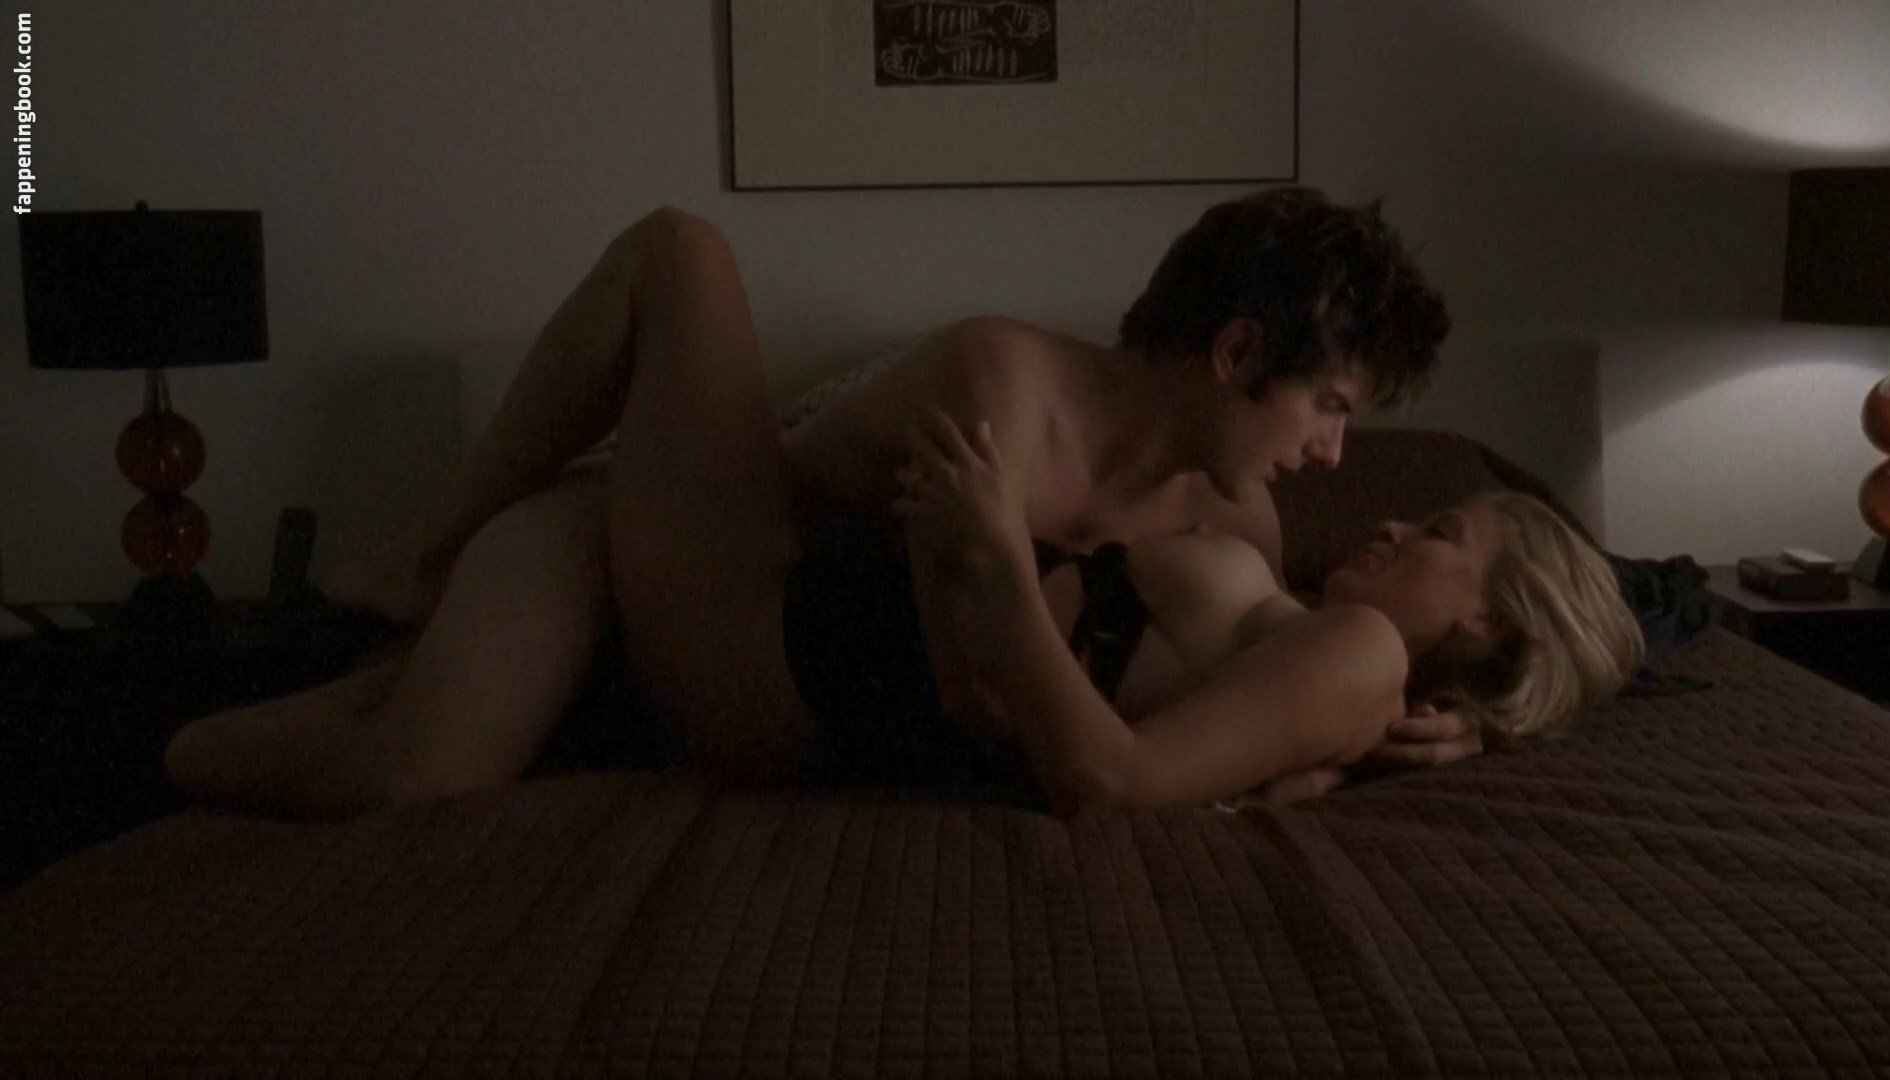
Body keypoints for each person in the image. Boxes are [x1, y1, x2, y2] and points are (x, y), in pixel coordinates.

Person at [163, 189, 1474, 819]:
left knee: (410, 756)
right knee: (680, 250)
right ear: (1237, 354)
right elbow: (975, 698)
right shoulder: (1006, 385)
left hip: (777, 651)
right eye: (1330, 406)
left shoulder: (1235, 525)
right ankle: (425, 554)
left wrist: (1361, 744)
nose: (1333, 455)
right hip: (724, 587)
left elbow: (1245, 695)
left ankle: (207, 732)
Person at [890, 414, 1645, 813]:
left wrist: (999, 558)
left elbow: (1111, 783)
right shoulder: (1335, 661)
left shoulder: (1366, 650)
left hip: (890, 656)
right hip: (908, 614)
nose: (1392, 525)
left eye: (1437, 533)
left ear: (1491, 620)